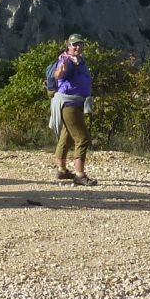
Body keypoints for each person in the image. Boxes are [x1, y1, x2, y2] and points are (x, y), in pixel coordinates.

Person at [49, 34, 98, 186]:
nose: (77, 47)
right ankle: (80, 175)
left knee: (67, 136)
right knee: (82, 139)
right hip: (69, 104)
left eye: (79, 44)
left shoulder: (80, 61)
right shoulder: (66, 60)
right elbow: (59, 74)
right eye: (74, 44)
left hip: (75, 103)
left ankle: (62, 170)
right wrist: (61, 71)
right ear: (68, 46)